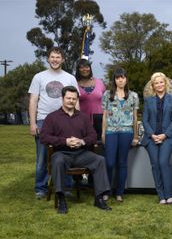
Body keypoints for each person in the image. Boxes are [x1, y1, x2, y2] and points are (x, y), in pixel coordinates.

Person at [40, 86, 112, 214]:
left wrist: (81, 141)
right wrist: (65, 141)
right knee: (57, 161)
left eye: (74, 98)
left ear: (77, 100)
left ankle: (99, 198)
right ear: (62, 98)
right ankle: (61, 198)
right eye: (68, 98)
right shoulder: (52, 117)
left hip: (81, 153)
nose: (71, 101)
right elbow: (44, 137)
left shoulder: (83, 117)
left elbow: (93, 135)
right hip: (61, 153)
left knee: (100, 160)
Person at [28, 47, 79, 199]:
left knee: (67, 153)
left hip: (66, 121)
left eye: (58, 57)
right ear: (48, 59)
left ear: (63, 59)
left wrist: (77, 121)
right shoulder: (39, 77)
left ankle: (66, 186)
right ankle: (41, 188)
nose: (55, 60)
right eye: (52, 57)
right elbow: (33, 100)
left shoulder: (70, 78)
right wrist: (32, 123)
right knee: (43, 157)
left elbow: (75, 101)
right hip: (43, 121)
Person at [101, 68, 139, 202]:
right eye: (117, 78)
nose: (120, 80)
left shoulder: (133, 96)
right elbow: (104, 116)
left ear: (126, 79)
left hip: (127, 132)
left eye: (122, 77)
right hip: (111, 131)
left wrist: (136, 136)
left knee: (122, 163)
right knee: (110, 162)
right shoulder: (107, 95)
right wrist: (103, 133)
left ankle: (119, 192)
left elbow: (135, 117)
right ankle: (107, 190)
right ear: (114, 80)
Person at [141, 72, 172, 205]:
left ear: (165, 83)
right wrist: (152, 135)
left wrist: (164, 135)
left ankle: (169, 194)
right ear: (153, 85)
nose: (159, 85)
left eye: (161, 82)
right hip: (151, 137)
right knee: (155, 165)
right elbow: (144, 120)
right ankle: (161, 195)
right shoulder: (148, 100)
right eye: (156, 83)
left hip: (167, 137)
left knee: (163, 163)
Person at [76, 59, 106, 140]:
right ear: (78, 69)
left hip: (99, 119)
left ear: (90, 68)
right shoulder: (74, 83)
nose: (84, 69)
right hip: (82, 119)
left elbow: (105, 100)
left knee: (100, 144)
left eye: (86, 67)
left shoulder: (99, 82)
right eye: (81, 67)